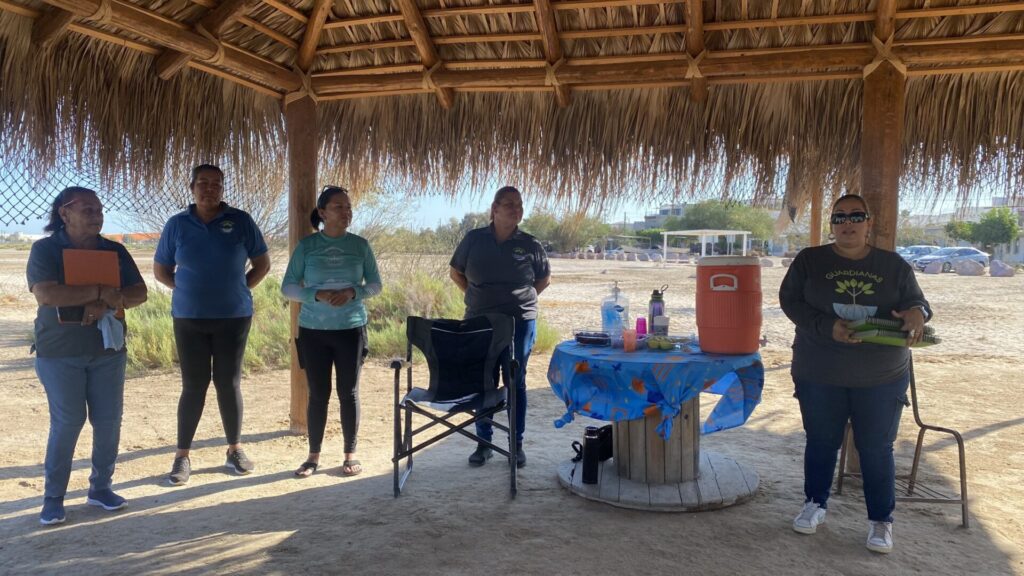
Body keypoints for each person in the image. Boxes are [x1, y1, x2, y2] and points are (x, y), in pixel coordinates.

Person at [779, 194, 931, 554]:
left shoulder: (893, 265)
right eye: (839, 217)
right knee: (820, 441)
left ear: (869, 222)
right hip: (819, 371)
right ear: (832, 224)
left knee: (877, 449)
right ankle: (814, 503)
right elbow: (790, 301)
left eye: (856, 216)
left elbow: (919, 303)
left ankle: (881, 521)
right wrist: (826, 325)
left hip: (881, 376)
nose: (847, 223)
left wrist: (917, 313)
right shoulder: (809, 260)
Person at [27, 187, 148, 525]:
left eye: (99, 209)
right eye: (88, 209)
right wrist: (98, 291)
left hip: (108, 351)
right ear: (64, 214)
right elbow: (46, 294)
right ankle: (53, 498)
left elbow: (140, 293)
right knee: (68, 423)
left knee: (108, 421)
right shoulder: (46, 249)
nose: (97, 215)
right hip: (59, 352)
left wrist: (114, 300)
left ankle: (101, 488)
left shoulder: (115, 251)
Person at [154, 164, 271, 485]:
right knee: (193, 386)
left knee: (228, 383)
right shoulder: (177, 225)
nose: (210, 189)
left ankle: (234, 449)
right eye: (203, 183)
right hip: (189, 317)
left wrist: (239, 288)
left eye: (216, 184)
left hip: (234, 316)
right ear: (191, 187)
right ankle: (182, 456)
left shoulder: (241, 221)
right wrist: (188, 291)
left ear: (223, 188)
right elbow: (161, 270)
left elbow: (262, 263)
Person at [281, 186, 381, 477]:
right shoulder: (307, 247)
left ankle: (350, 454)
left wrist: (354, 292)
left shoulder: (360, 246)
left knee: (348, 393)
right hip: (313, 331)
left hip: (351, 329)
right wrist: (317, 295)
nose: (345, 212)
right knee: (318, 394)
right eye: (338, 207)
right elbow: (288, 286)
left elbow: (375, 285)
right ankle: (313, 456)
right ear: (323, 213)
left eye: (348, 207)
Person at [449, 186, 551, 468]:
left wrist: (521, 303)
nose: (516, 209)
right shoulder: (474, 239)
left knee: (515, 380)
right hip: (480, 322)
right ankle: (484, 444)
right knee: (484, 380)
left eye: (519, 205)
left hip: (520, 323)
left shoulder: (530, 244)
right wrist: (477, 297)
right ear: (494, 209)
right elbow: (456, 272)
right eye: (509, 204)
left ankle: (515, 445)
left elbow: (543, 280)